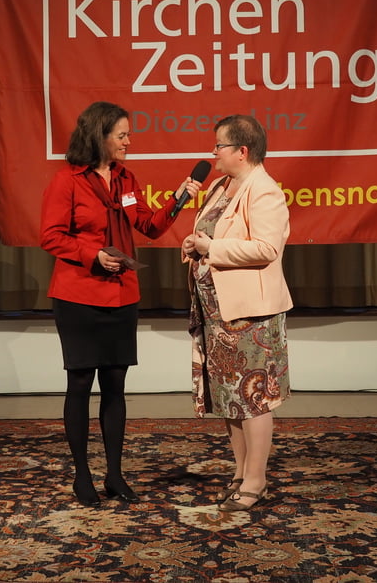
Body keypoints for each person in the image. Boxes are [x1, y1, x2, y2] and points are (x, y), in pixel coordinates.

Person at [39, 101, 200, 506]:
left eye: (129, 135)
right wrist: (92, 255)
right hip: (78, 295)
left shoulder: (127, 180)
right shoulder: (67, 181)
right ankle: (82, 476)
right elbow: (51, 236)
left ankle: (114, 475)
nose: (129, 142)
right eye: (122, 135)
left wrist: (179, 199)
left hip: (122, 295)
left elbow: (149, 225)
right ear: (100, 136)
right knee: (80, 383)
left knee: (116, 385)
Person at [181, 114, 292, 512]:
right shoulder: (220, 186)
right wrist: (194, 244)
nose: (213, 153)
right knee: (230, 397)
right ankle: (241, 472)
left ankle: (256, 480)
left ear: (242, 151)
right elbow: (210, 234)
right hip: (218, 313)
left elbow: (266, 248)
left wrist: (211, 248)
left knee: (254, 398)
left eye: (219, 146)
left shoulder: (264, 191)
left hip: (250, 316)